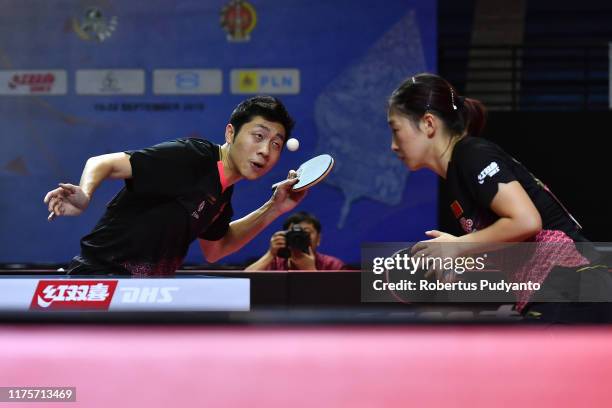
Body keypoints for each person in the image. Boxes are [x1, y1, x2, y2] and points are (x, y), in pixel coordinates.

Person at [387, 73, 611, 322]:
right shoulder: (457, 179)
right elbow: (514, 240)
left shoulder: (471, 154)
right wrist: (459, 254)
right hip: (558, 292)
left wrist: (459, 246)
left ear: (428, 124)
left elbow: (526, 221)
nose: (393, 145)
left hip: (575, 286)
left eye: (396, 130)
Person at [43, 96, 306, 276]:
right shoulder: (192, 156)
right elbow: (104, 163)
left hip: (143, 298)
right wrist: (85, 194)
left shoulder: (223, 194)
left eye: (275, 144)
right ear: (230, 133)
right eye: (258, 136)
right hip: (99, 282)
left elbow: (217, 248)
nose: (265, 151)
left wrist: (275, 207)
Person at [245, 211, 345, 271]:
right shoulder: (274, 262)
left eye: (306, 232)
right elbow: (242, 283)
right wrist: (270, 254)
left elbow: (341, 298)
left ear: (318, 239)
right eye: (293, 233)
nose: (299, 237)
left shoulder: (333, 265)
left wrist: (310, 270)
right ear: (285, 236)